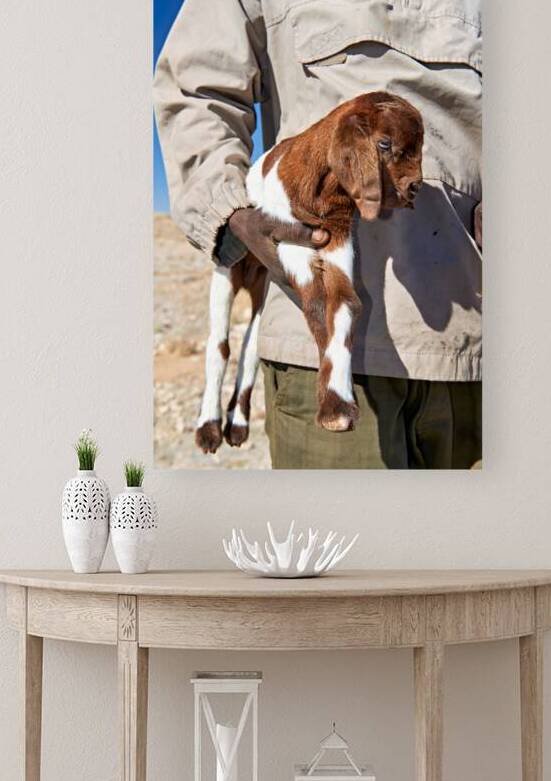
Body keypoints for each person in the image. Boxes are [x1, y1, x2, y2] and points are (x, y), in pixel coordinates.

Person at [154, 0, 482, 469]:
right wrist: (228, 215)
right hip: (320, 347)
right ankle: (225, 405)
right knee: (342, 541)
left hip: (474, 349)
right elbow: (195, 86)